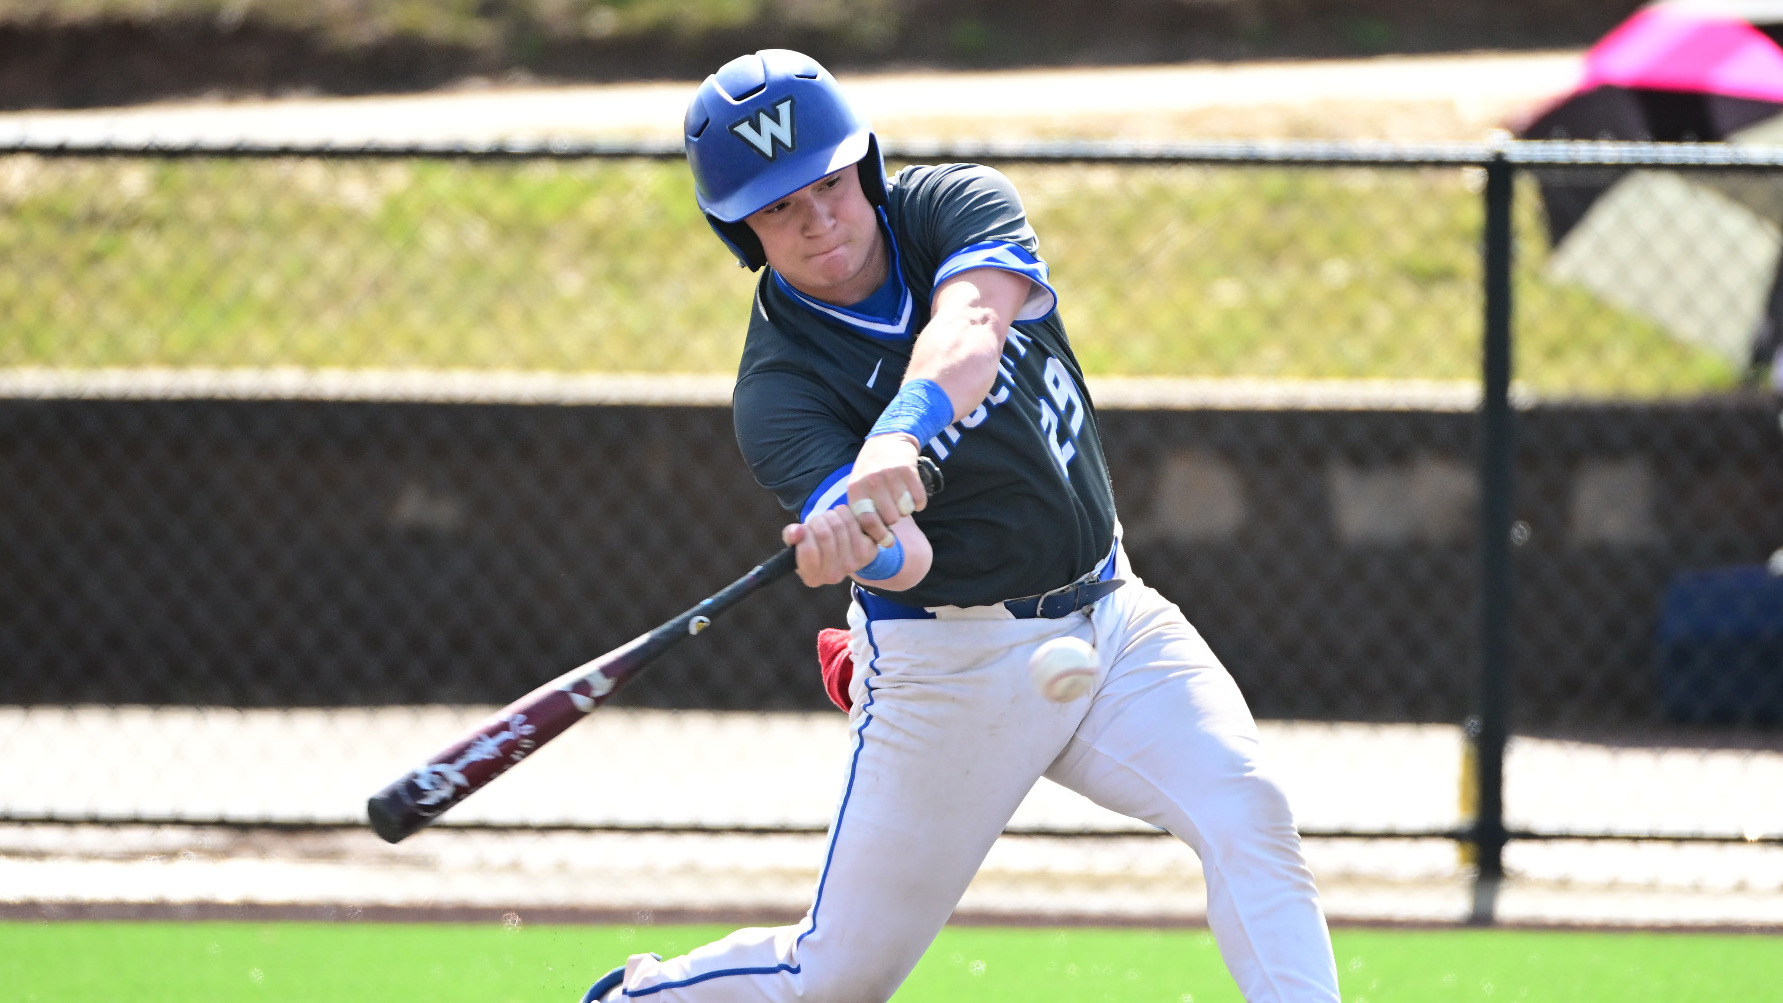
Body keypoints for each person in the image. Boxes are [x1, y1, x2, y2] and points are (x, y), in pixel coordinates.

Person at [582, 48, 1340, 1002]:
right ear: (740, 232)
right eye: (779, 206)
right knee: (835, 979)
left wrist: (899, 431)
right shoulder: (775, 391)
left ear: (863, 167)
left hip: (1113, 611)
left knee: (1249, 812)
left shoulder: (950, 204)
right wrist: (855, 540)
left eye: (828, 183)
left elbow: (973, 327)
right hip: (952, 666)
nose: (819, 219)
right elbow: (912, 560)